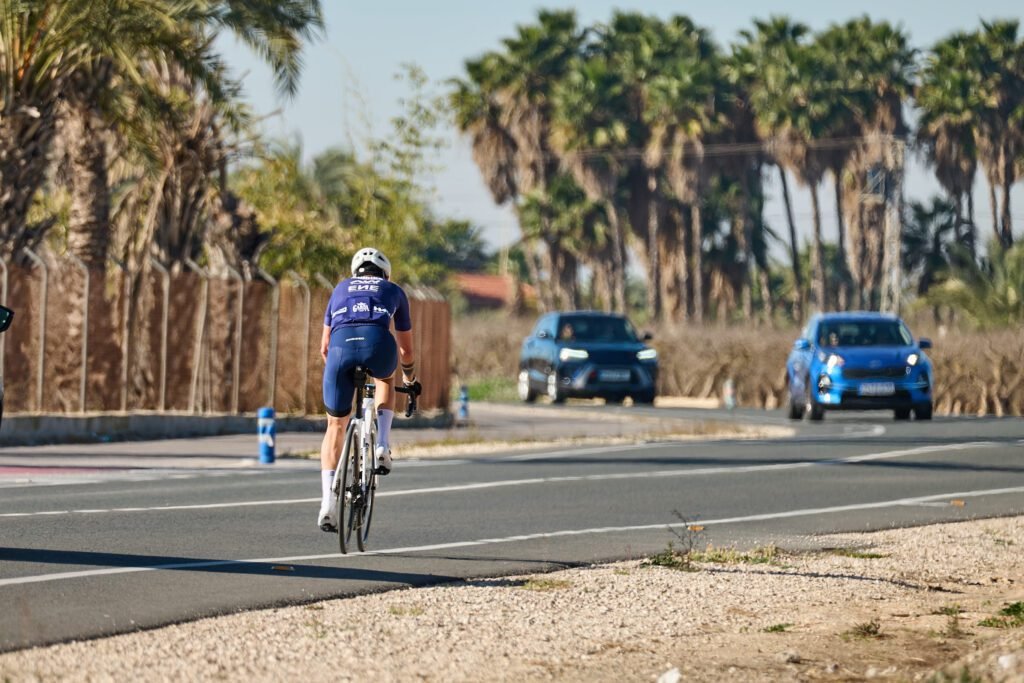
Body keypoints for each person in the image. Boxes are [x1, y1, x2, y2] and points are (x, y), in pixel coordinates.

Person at [317, 247, 419, 532]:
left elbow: (324, 347)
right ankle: (383, 444)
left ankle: (328, 501)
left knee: (335, 425)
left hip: (339, 351)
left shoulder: (339, 288)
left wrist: (339, 371)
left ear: (355, 272)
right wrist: (410, 379)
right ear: (385, 272)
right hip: (378, 345)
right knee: (386, 378)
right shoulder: (393, 289)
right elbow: (406, 349)